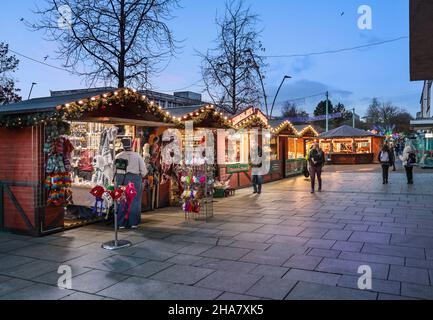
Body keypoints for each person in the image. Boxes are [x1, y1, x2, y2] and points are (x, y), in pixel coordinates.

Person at [114, 138, 147, 229]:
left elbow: (114, 171)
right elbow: (144, 171)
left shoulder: (118, 156)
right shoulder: (137, 156)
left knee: (121, 200)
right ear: (132, 145)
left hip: (121, 179)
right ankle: (133, 223)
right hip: (134, 179)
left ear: (123, 146)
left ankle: (121, 223)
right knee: (134, 201)